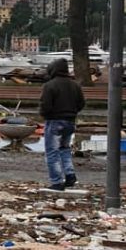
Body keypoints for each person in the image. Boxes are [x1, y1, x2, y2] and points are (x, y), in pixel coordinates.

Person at [39, 58, 84, 191]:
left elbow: (45, 105)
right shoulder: (75, 85)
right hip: (70, 121)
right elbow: (81, 103)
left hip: (54, 121)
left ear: (53, 69)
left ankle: (57, 182)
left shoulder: (50, 85)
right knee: (64, 149)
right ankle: (70, 176)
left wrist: (45, 115)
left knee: (52, 152)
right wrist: (72, 113)